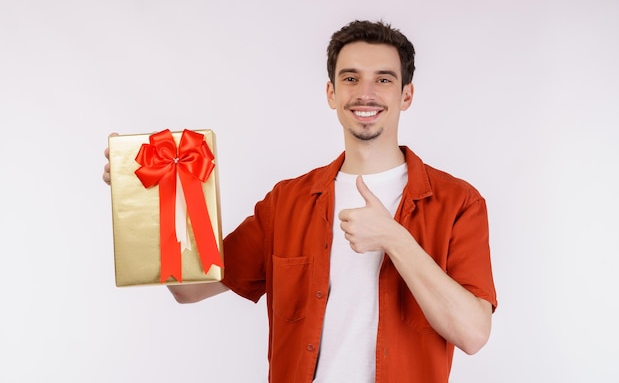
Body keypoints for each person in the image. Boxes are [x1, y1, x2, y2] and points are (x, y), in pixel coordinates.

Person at [103, 19, 497, 383]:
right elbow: (189, 289)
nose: (365, 93)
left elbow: (474, 333)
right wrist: (146, 201)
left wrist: (395, 239)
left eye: (383, 79)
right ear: (331, 92)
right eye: (350, 78)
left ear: (406, 95)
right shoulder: (286, 202)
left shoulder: (458, 202)